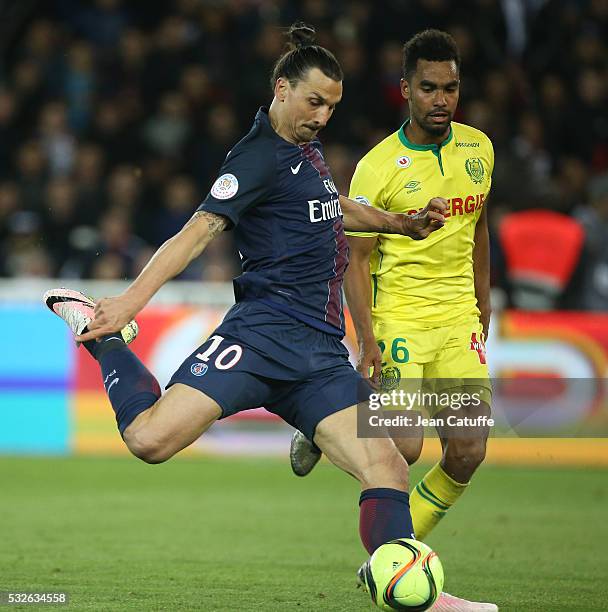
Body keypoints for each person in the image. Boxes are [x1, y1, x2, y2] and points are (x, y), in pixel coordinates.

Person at [44, 23, 447, 589]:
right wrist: (128, 305)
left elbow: (333, 208)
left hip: (320, 353)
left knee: (399, 452)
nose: (324, 115)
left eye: (332, 105)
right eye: (314, 102)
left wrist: (400, 224)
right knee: (148, 441)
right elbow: (193, 235)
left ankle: (392, 578)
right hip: (260, 339)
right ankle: (103, 337)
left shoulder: (306, 149)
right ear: (281, 88)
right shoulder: (255, 159)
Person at [290, 29, 498, 611]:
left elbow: (478, 228)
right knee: (402, 450)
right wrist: (369, 338)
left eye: (450, 88)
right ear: (406, 89)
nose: (441, 99)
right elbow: (356, 259)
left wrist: (483, 306)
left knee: (467, 453)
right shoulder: (378, 167)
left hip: (458, 320)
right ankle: (318, 424)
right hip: (400, 317)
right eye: (429, 87)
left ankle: (385, 562)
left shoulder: (480, 150)